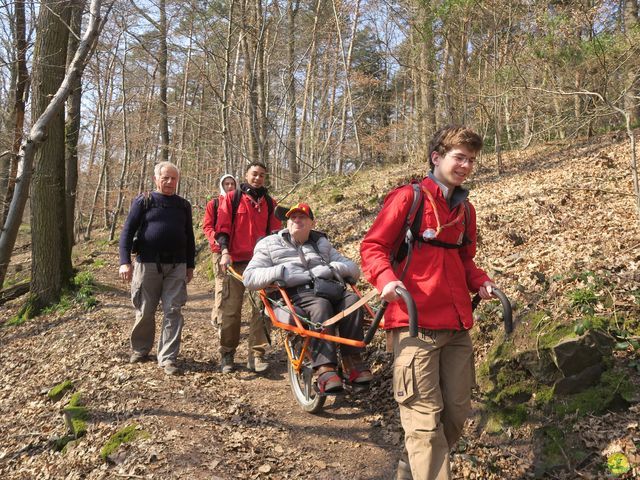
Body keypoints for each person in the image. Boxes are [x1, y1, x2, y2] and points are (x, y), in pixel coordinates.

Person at [360, 126, 497, 480]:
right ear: (437, 157)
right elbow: (373, 247)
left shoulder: (466, 210)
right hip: (413, 323)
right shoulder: (409, 198)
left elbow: (464, 261)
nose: (465, 165)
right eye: (459, 157)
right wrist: (386, 279)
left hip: (456, 327)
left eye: (471, 160)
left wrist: (481, 282)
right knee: (423, 424)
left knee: (455, 412)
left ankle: (410, 467)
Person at [243, 203, 373, 393]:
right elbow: (250, 277)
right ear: (287, 223)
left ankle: (352, 361)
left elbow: (352, 269)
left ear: (312, 222)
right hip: (293, 294)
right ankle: (325, 368)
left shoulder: (321, 243)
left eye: (302, 217)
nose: (297, 220)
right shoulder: (269, 244)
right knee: (320, 305)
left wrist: (330, 268)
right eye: (292, 217)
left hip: (327, 288)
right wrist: (282, 271)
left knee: (353, 301)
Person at [118, 161, 196, 376]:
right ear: (156, 179)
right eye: (166, 178)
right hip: (147, 264)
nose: (170, 182)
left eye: (174, 178)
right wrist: (124, 261)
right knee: (145, 310)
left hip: (177, 266)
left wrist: (190, 265)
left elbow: (189, 237)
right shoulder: (144, 201)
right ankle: (141, 349)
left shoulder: (183, 205)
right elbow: (127, 232)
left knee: (173, 310)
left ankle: (168, 358)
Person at [214, 162, 279, 374]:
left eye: (261, 175)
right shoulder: (231, 199)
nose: (258, 178)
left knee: (261, 310)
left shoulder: (270, 203)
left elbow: (275, 235)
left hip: (260, 264)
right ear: (246, 175)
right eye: (254, 174)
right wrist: (224, 252)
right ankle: (227, 353)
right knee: (231, 310)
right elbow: (222, 228)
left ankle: (256, 355)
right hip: (235, 263)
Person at [202, 174, 237, 328]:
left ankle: (228, 315)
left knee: (234, 286)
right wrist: (214, 239)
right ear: (222, 186)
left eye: (232, 184)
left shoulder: (240, 202)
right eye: (226, 184)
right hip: (219, 250)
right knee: (221, 284)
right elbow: (207, 226)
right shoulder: (214, 203)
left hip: (237, 250)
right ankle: (218, 318)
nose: (230, 187)